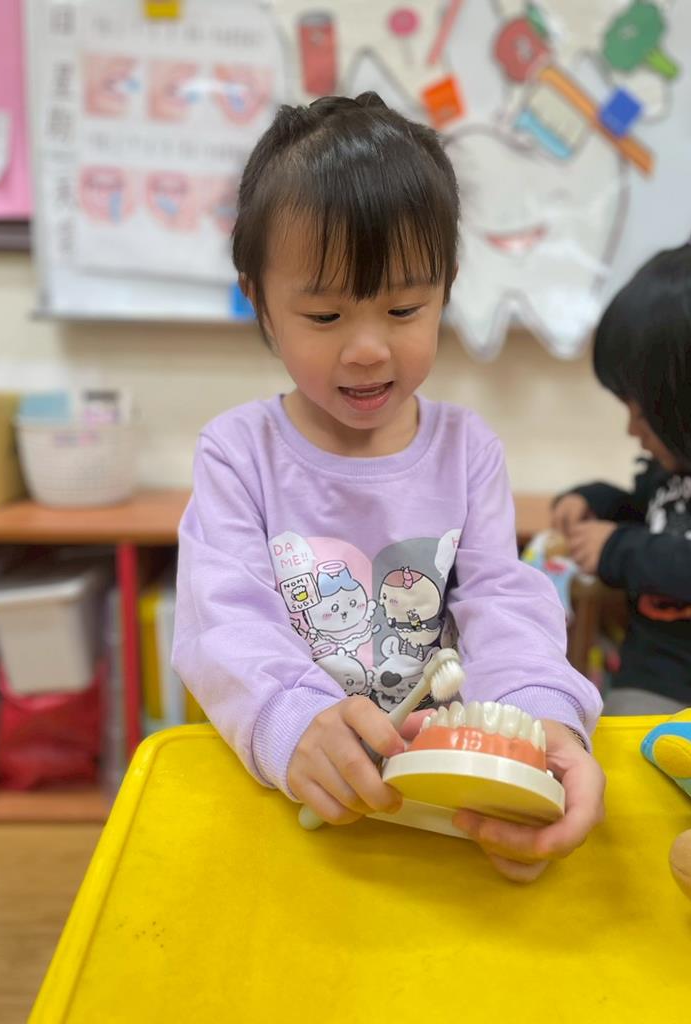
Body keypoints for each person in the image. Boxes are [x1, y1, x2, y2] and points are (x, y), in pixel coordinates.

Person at [173, 93, 604, 881]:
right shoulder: (238, 453)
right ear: (259, 299)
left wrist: (539, 719)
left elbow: (502, 603)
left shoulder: (466, 449)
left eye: (404, 308)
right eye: (325, 315)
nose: (369, 349)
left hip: (434, 794)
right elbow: (222, 623)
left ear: (445, 288)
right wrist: (293, 719)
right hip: (294, 787)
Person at [553, 226, 691, 716]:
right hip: (652, 687)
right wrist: (596, 500)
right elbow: (650, 514)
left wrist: (619, 550)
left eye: (644, 411)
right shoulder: (671, 465)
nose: (632, 429)